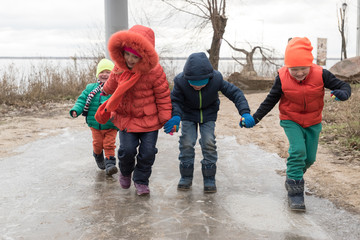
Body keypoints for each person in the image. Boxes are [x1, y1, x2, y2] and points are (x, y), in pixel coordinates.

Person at [250, 37, 351, 211]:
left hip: (313, 121)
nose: (298, 73)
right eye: (293, 69)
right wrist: (256, 117)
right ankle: (296, 192)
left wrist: (342, 94)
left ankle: (292, 178)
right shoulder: (282, 77)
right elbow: (270, 100)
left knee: (310, 158)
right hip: (291, 119)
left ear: (310, 65)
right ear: (287, 67)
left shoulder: (321, 74)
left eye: (303, 68)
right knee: (298, 151)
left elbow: (344, 87)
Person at [95, 25, 172, 196]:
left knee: (148, 152)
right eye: (127, 54)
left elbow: (163, 96)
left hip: (149, 120)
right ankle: (126, 171)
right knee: (127, 151)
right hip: (126, 117)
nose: (129, 59)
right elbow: (113, 82)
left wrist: (166, 119)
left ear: (144, 56)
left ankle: (141, 181)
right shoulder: (119, 67)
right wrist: (106, 91)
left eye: (135, 56)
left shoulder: (155, 72)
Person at [164, 52, 255, 193]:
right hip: (188, 114)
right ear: (187, 78)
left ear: (209, 77)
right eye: (193, 84)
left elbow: (235, 93)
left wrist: (245, 112)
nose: (197, 87)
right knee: (187, 142)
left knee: (209, 142)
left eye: (201, 84)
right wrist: (175, 116)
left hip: (208, 114)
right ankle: (186, 176)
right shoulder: (180, 81)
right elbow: (175, 100)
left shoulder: (216, 79)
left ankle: (209, 178)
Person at [70, 58, 119, 176]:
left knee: (109, 144)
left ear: (113, 75)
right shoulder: (90, 88)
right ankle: (98, 156)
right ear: (98, 74)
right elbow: (82, 100)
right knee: (98, 144)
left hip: (111, 124)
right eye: (102, 72)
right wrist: (76, 110)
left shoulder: (116, 89)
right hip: (94, 123)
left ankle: (110, 165)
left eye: (108, 72)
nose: (105, 75)